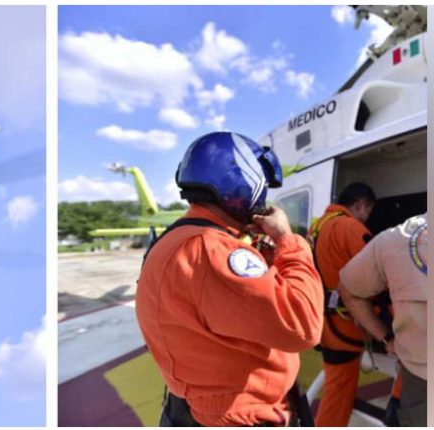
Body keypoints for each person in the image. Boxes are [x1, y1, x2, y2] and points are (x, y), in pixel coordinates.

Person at [136, 131, 324, 426]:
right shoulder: (212, 249)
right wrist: (288, 240)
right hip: (241, 415)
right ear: (242, 181)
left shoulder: (175, 240)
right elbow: (302, 325)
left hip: (195, 406)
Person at [337, 214, 427, 426]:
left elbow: (347, 290)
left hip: (420, 382)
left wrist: (386, 338)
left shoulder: (395, 239)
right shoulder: (350, 228)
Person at [309, 182, 376, 427]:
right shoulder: (350, 228)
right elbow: (375, 273)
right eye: (368, 211)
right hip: (345, 325)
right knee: (339, 393)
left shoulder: (316, 227)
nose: (367, 218)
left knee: (334, 385)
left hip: (323, 323)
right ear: (359, 205)